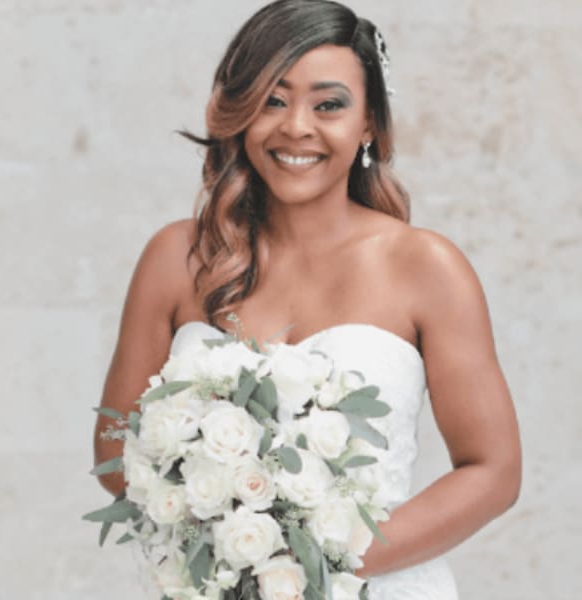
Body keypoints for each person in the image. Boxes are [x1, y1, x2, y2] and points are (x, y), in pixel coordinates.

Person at [94, 0, 522, 597]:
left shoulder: (427, 268)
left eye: (328, 105)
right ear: (240, 111)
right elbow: (116, 449)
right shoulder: (177, 257)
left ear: (368, 122)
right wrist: (223, 532)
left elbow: (493, 472)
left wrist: (313, 558)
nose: (296, 126)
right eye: (273, 100)